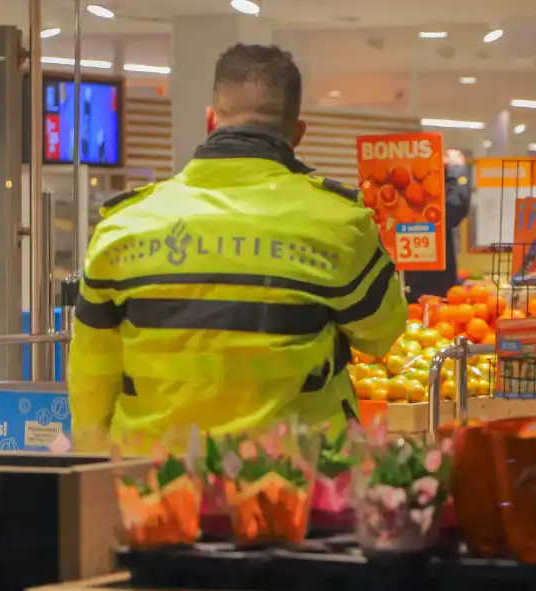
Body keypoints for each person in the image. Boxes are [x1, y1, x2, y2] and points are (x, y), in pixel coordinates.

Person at [68, 44, 407, 453]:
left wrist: (99, 466)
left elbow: (92, 373)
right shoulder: (341, 225)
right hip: (295, 487)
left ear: (211, 122)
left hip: (152, 486)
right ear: (297, 134)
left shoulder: (123, 226)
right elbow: (381, 334)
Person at [404, 149, 471, 302]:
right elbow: (455, 208)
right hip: (427, 288)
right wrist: (457, 171)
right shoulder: (426, 201)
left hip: (406, 286)